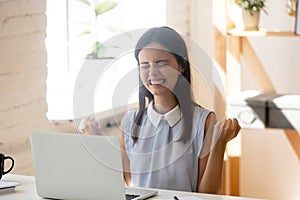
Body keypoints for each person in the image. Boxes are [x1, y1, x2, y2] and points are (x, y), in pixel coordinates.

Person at [79, 26, 240, 194]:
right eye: (145, 65)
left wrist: (219, 144)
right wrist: (95, 140)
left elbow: (208, 194)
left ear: (181, 66)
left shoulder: (203, 121)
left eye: (161, 64)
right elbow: (126, 183)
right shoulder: (130, 121)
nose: (152, 72)